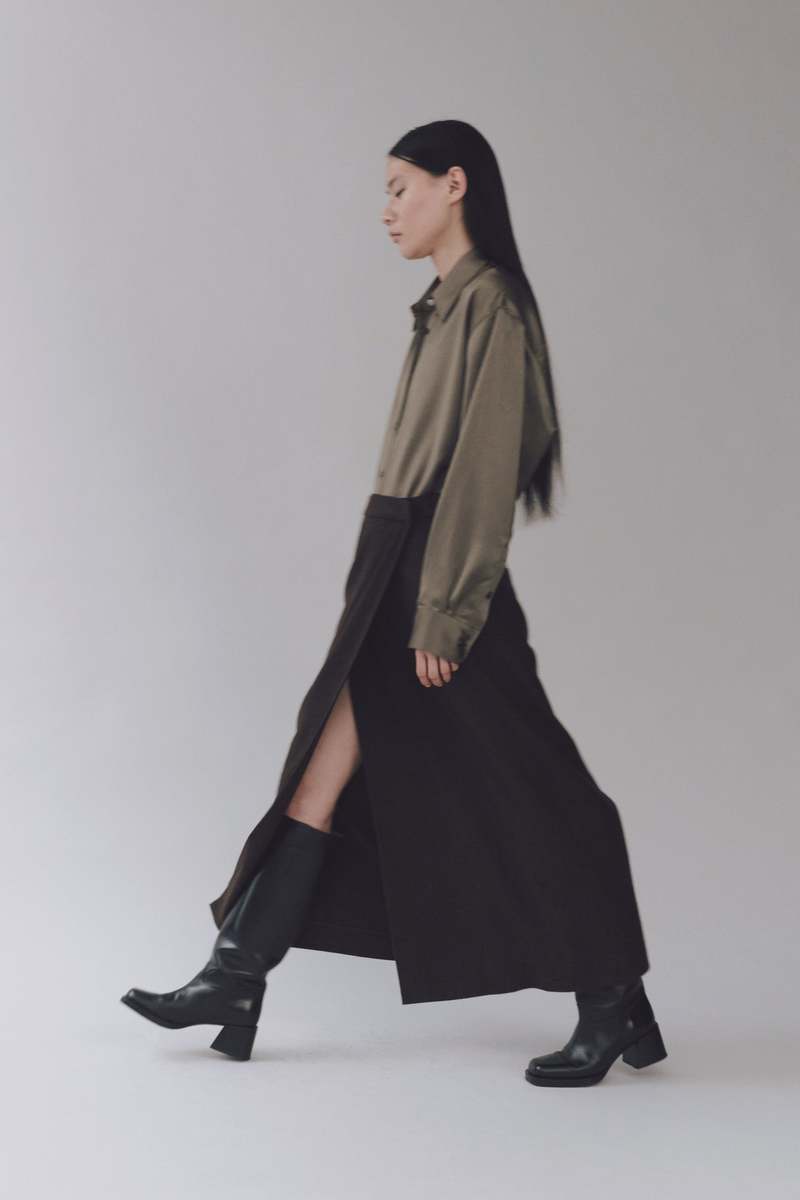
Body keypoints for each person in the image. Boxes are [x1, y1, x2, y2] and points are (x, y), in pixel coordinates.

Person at [122, 120, 667, 1087]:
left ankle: (613, 998)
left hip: (438, 571)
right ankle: (235, 978)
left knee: (534, 782)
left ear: (455, 185)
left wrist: (444, 610)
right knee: (318, 774)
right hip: (396, 561)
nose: (387, 208)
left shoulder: (492, 304)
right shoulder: (441, 305)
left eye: (400, 187)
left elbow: (484, 472)